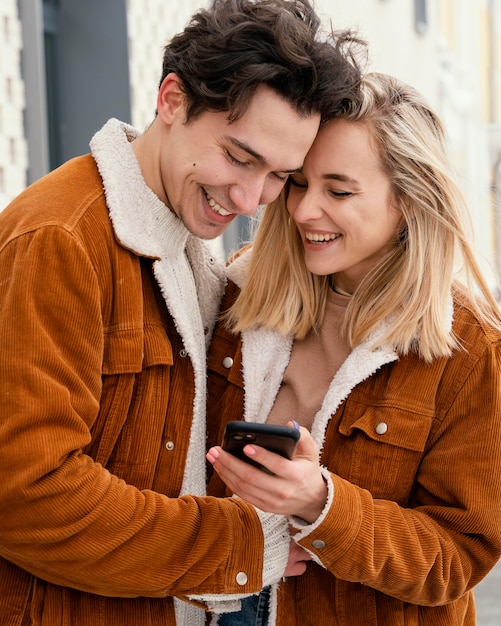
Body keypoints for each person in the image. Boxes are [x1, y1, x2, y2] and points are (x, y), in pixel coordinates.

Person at [0, 1, 365, 624]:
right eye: (240, 157)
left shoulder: (187, 246)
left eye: (279, 175)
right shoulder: (59, 238)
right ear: (173, 100)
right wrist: (241, 543)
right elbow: (27, 496)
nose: (251, 198)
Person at [206, 72, 501, 625]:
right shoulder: (238, 295)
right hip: (222, 601)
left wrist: (323, 505)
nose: (302, 211)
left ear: (411, 201)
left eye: (338, 191)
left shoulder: (471, 349)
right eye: (298, 183)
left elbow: (457, 559)